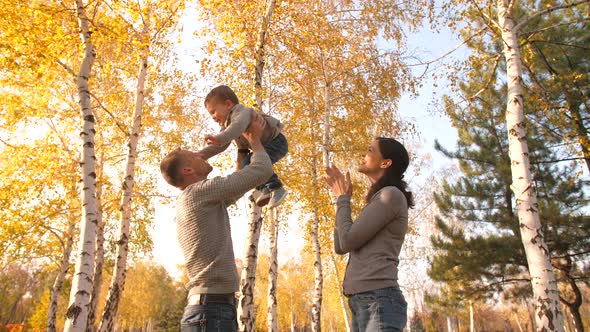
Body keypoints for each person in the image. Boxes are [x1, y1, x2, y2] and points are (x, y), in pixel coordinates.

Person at [160, 113, 273, 332]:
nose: (200, 154)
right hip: (211, 313)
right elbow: (261, 171)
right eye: (193, 155)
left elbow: (235, 187)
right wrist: (256, 141)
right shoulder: (199, 193)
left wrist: (241, 150)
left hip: (209, 311)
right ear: (188, 170)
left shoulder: (196, 197)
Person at [325, 137, 414, 332]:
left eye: (370, 150)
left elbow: (347, 241)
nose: (363, 154)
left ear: (385, 163)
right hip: (364, 302)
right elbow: (340, 246)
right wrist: (342, 200)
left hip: (379, 301)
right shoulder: (379, 200)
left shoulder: (390, 195)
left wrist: (342, 200)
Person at [196, 85, 288, 208]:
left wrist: (219, 138)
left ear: (228, 104)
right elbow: (221, 145)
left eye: (213, 111)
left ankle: (276, 187)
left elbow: (237, 128)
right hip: (265, 145)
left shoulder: (242, 113)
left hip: (276, 142)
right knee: (246, 163)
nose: (212, 117)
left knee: (254, 162)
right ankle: (264, 188)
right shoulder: (228, 126)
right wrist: (202, 155)